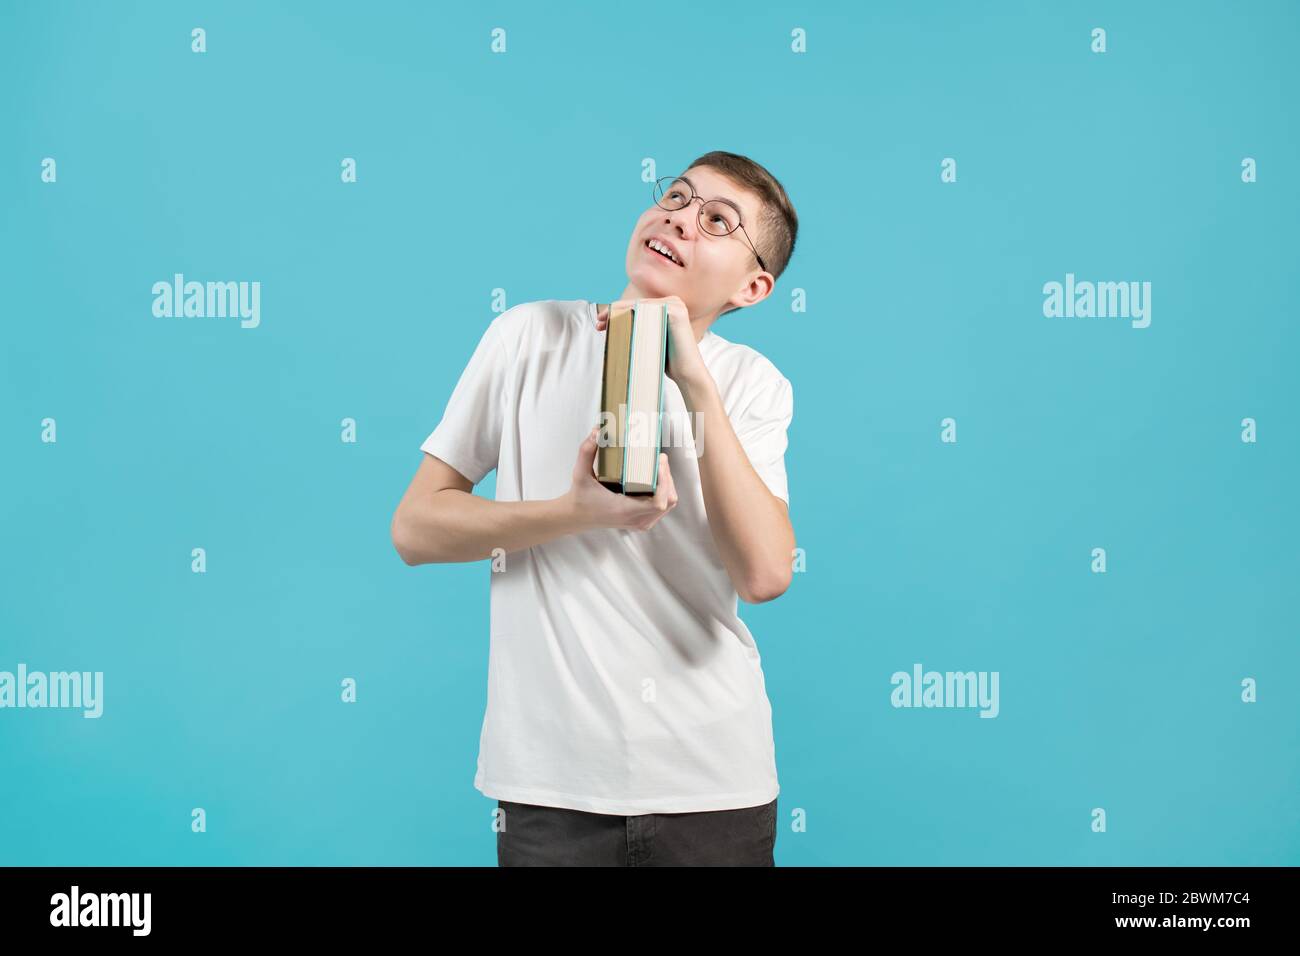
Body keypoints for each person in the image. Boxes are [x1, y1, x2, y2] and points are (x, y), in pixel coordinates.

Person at [391, 150, 799, 866]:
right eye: (676, 196)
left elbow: (765, 575)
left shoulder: (751, 385)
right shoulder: (528, 336)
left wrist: (694, 381)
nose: (679, 218)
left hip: (712, 787)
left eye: (716, 221)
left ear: (753, 286)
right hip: (550, 790)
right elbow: (416, 529)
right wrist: (574, 512)